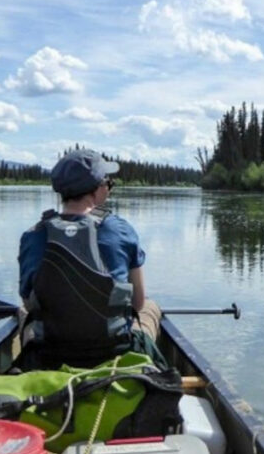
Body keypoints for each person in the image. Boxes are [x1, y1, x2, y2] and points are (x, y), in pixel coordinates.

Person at [18, 148, 162, 368]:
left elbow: (30, 304)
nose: (108, 186)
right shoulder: (121, 230)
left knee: (20, 313)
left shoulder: (32, 235)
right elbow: (137, 302)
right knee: (150, 307)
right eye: (107, 182)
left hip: (50, 353)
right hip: (113, 351)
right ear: (97, 190)